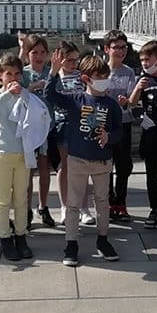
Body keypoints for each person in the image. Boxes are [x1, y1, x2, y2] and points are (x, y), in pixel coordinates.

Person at [45, 49, 123, 267]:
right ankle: (71, 243)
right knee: (72, 204)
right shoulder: (75, 99)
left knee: (102, 202)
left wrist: (110, 137)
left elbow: (119, 131)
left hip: (102, 161)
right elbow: (50, 96)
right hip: (77, 159)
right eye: (100, 78)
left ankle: (103, 239)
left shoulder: (112, 104)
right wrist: (52, 73)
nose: (105, 82)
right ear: (86, 79)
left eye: (106, 77)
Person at [0, 53, 51, 261]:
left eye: (17, 74)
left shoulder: (26, 95)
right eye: (8, 74)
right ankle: (5, 237)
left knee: (21, 198)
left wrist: (24, 94)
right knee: (3, 200)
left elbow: (40, 115)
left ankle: (21, 236)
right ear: (0, 76)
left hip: (23, 152)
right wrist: (6, 94)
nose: (13, 78)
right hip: (2, 152)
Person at [128, 40, 157, 229]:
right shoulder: (143, 79)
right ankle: (153, 209)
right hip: (149, 133)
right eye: (142, 60)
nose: (145, 63)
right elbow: (131, 103)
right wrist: (138, 87)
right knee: (151, 174)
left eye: (148, 59)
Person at [49, 41, 94, 227]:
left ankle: (83, 207)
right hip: (62, 125)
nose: (73, 64)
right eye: (69, 60)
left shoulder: (80, 76)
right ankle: (65, 206)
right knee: (64, 167)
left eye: (76, 60)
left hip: (82, 125)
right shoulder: (54, 77)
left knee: (82, 168)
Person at [19, 34, 57, 228]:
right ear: (28, 54)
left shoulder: (52, 73)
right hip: (28, 129)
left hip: (48, 128)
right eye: (34, 52)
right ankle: (26, 209)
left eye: (43, 52)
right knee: (28, 171)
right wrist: (31, 88)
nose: (39, 56)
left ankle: (43, 206)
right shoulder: (23, 74)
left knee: (45, 170)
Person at [102, 30, 137, 222]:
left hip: (123, 122)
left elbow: (131, 100)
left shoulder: (129, 72)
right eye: (116, 47)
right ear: (107, 49)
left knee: (124, 165)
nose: (121, 51)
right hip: (104, 124)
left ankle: (120, 203)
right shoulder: (100, 70)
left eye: (124, 47)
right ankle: (108, 201)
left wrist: (127, 100)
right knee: (106, 164)